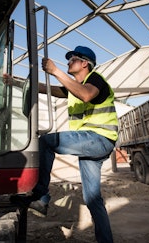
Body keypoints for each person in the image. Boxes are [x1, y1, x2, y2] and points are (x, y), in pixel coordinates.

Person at [10, 46, 118, 243]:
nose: (68, 62)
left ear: (85, 63)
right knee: (93, 200)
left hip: (99, 139)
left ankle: (41, 197)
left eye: (72, 59)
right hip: (91, 144)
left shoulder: (95, 79)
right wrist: (15, 82)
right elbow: (45, 88)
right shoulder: (73, 88)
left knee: (46, 142)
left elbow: (86, 95)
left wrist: (55, 71)